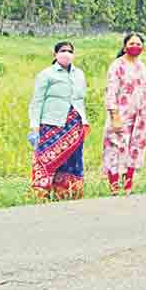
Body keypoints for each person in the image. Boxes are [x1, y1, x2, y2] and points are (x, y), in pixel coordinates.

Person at [28, 41, 89, 200]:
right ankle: (41, 194)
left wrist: (84, 121)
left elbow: (80, 100)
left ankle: (67, 194)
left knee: (72, 160)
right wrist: (34, 126)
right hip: (51, 124)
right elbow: (37, 101)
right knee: (46, 159)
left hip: (74, 125)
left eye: (70, 51)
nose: (66, 54)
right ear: (55, 54)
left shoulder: (79, 74)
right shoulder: (46, 74)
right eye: (63, 50)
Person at [103, 32, 146, 194]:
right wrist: (114, 116)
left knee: (135, 149)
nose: (135, 47)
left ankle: (128, 186)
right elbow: (111, 92)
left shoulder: (142, 66)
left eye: (138, 44)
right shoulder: (117, 65)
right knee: (116, 149)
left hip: (140, 116)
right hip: (121, 115)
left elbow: (144, 91)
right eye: (132, 44)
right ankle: (114, 187)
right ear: (125, 47)